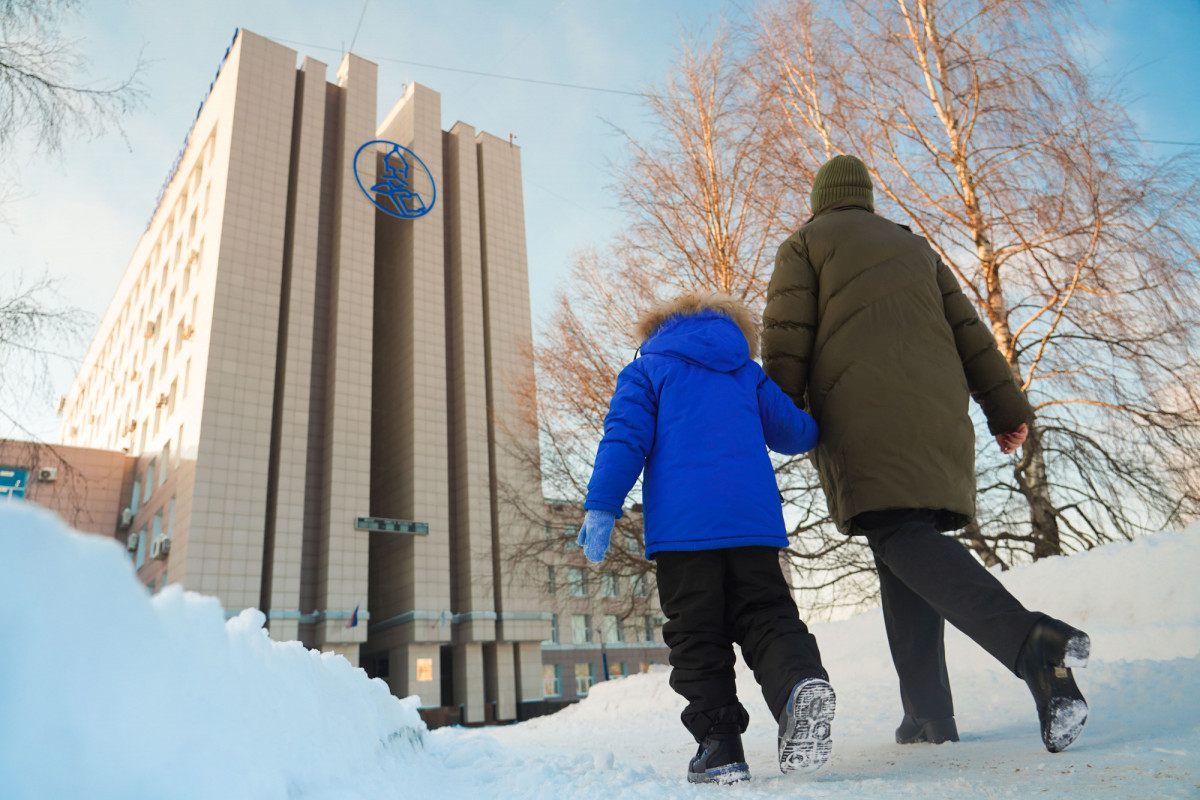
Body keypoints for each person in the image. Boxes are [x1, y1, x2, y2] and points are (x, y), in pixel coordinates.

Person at [761, 154, 1091, 754]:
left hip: (863, 416)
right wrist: (1007, 411)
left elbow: (787, 338)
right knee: (901, 548)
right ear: (865, 197)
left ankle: (1031, 644)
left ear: (820, 201)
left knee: (896, 534)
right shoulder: (916, 249)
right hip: (938, 416)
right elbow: (972, 333)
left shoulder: (804, 245)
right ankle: (929, 714)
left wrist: (775, 414)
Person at [576, 292, 834, 785]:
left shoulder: (647, 370)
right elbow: (795, 434)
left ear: (657, 328)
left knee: (697, 633)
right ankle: (799, 685)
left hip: (684, 532)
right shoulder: (746, 372)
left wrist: (603, 505)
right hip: (752, 526)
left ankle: (719, 748)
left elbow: (624, 439)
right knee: (768, 615)